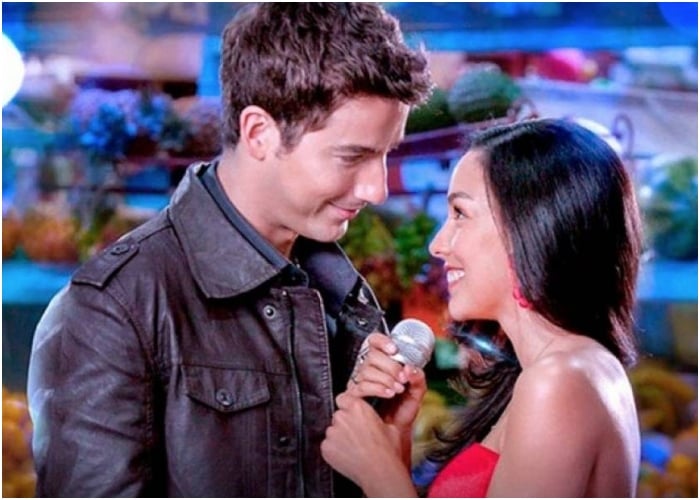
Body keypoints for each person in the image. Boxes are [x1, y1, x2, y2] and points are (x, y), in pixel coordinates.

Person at [27, 3, 432, 497]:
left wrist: (388, 455)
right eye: (353, 157)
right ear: (259, 133)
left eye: (387, 154)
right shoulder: (116, 307)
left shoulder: (342, 293)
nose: (377, 189)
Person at [321, 118, 643, 497]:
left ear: (527, 227)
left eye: (460, 213)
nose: (438, 245)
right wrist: (395, 438)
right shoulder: (562, 370)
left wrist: (378, 472)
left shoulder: (558, 381)